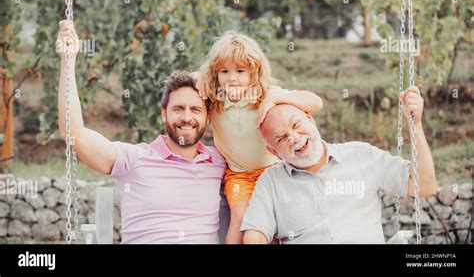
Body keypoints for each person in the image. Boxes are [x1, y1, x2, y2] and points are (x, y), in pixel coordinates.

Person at [57, 20, 226, 243]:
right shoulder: (135, 159)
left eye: (195, 109)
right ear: (164, 114)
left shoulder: (220, 161)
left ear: (208, 116)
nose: (187, 117)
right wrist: (68, 60)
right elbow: (74, 134)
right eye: (178, 109)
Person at [241, 87, 436, 244]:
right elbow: (254, 235)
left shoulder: (361, 155)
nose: (293, 138)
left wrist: (415, 125)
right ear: (274, 152)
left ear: (310, 120)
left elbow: (424, 186)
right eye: (281, 138)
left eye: (296, 125)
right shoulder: (270, 182)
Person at [191, 31, 323, 243]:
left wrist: (277, 99)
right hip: (239, 175)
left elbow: (316, 102)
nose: (232, 78)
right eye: (224, 71)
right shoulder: (215, 100)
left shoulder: (264, 96)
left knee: (270, 220)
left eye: (240, 71)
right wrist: (197, 77)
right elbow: (186, 86)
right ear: (215, 73)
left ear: (254, 73)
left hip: (272, 171)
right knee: (241, 216)